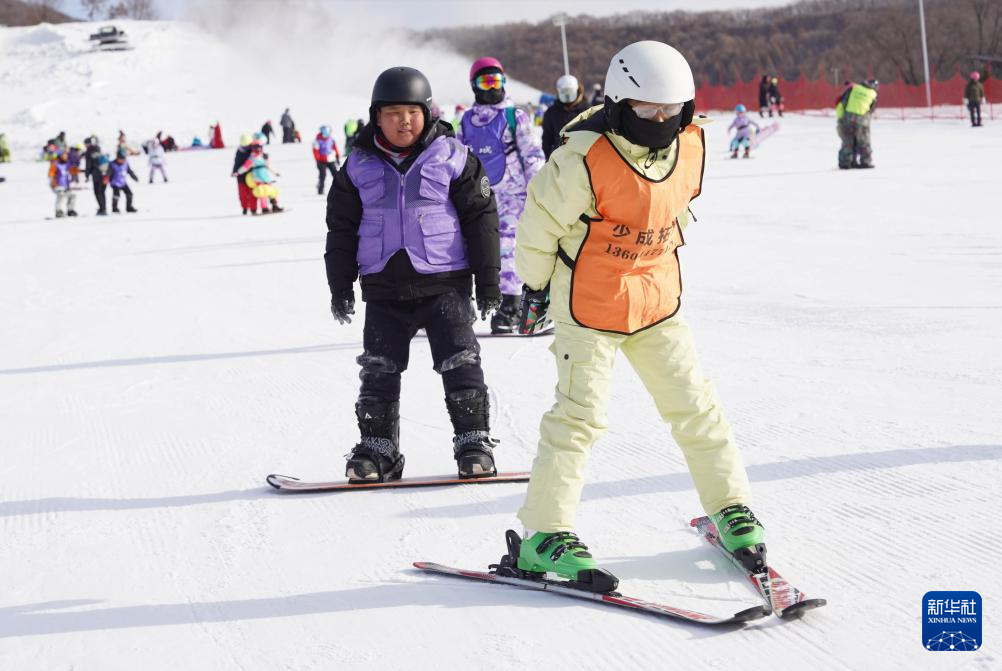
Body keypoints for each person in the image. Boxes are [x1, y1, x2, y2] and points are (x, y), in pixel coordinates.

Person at [509, 40, 765, 592]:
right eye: (648, 110)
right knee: (579, 418)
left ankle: (729, 506)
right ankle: (543, 533)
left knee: (696, 405)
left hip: (655, 300)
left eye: (672, 110)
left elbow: (676, 211)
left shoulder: (689, 144)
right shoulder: (580, 160)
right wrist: (533, 288)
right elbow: (536, 229)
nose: (661, 120)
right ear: (620, 103)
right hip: (589, 305)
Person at [325, 66, 502, 482]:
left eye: (412, 112)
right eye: (392, 113)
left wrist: (488, 280)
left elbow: (482, 220)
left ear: (427, 112)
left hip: (445, 282)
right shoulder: (358, 165)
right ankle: (378, 450)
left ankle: (473, 442)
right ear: (376, 116)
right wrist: (340, 284)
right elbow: (341, 229)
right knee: (379, 368)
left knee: (460, 361)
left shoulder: (453, 156)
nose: (403, 121)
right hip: (383, 286)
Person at [458, 57, 545, 334]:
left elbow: (532, 154)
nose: (492, 88)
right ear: (474, 86)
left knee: (509, 249)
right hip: (480, 197)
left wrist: (539, 192)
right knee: (473, 249)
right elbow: (458, 158)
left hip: (513, 196)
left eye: (496, 81)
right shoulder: (467, 120)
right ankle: (461, 305)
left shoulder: (514, 117)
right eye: (485, 82)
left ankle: (511, 307)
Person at [541, 74, 592, 159]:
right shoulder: (552, 112)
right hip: (560, 159)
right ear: (558, 92)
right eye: (563, 92)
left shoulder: (588, 110)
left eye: (570, 91)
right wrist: (549, 159)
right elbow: (547, 139)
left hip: (584, 159)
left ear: (577, 90)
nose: (567, 95)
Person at [836, 79, 878, 169]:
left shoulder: (854, 88)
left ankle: (845, 163)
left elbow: (843, 101)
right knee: (864, 141)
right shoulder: (873, 93)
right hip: (862, 119)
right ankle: (865, 161)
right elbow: (871, 109)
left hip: (847, 117)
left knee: (847, 141)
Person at [237, 142, 283, 214]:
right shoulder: (252, 158)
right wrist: (238, 172)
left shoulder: (263, 156)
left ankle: (275, 205)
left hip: (266, 176)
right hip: (257, 176)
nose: (258, 149)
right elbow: (246, 167)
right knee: (262, 191)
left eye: (259, 147)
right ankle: (264, 207)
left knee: (271, 190)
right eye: (256, 148)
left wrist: (275, 173)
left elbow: (267, 166)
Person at [312, 125, 341, 195]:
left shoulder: (331, 140)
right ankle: (320, 190)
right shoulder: (317, 141)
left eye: (327, 134)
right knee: (322, 175)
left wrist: (337, 157)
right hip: (321, 161)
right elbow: (315, 152)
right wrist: (319, 159)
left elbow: (335, 148)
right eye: (324, 134)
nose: (326, 136)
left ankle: (340, 189)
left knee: (335, 174)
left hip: (330, 160)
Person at [48, 149, 78, 218]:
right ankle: (59, 211)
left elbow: (72, 171)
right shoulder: (55, 165)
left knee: (72, 195)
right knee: (61, 195)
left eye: (66, 155)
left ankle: (70, 210)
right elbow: (51, 175)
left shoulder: (67, 164)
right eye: (64, 155)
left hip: (66, 185)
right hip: (57, 185)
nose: (66, 156)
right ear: (60, 156)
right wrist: (54, 184)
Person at [84, 136, 109, 215]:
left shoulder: (89, 152)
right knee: (102, 192)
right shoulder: (99, 149)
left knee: (97, 192)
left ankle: (102, 209)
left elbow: (88, 165)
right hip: (105, 174)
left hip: (97, 175)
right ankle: (103, 208)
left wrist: (87, 175)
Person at [109, 147, 138, 213]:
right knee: (116, 195)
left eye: (124, 159)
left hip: (123, 182)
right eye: (121, 159)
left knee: (129, 194)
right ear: (117, 158)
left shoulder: (126, 163)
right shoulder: (112, 164)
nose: (123, 160)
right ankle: (114, 208)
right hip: (115, 183)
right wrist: (108, 179)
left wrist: (134, 177)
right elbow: (108, 173)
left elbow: (129, 171)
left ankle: (129, 207)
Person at [232, 134, 256, 214]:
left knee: (251, 192)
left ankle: (253, 208)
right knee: (243, 193)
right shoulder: (239, 151)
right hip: (241, 175)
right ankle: (245, 208)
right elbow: (236, 162)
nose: (245, 148)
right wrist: (234, 171)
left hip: (251, 175)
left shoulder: (254, 150)